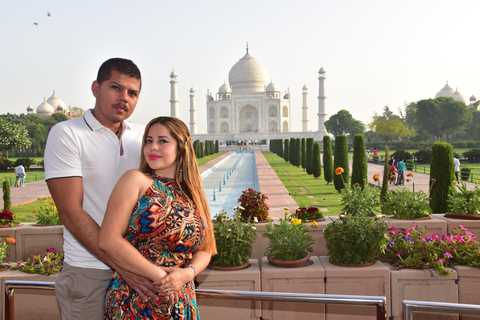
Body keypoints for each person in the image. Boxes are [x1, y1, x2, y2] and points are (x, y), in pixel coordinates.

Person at [44, 58, 158, 320]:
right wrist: (123, 267)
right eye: (115, 88)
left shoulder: (144, 137)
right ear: (96, 88)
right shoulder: (67, 134)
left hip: (142, 272)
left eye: (133, 93)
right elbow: (72, 212)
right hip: (90, 271)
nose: (124, 98)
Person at [99, 116, 216, 319]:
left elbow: (206, 248)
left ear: (182, 147)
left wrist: (188, 274)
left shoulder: (191, 194)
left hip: (181, 299)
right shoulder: (136, 180)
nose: (153, 147)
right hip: (137, 298)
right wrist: (162, 278)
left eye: (163, 141)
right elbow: (108, 240)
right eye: (148, 140)